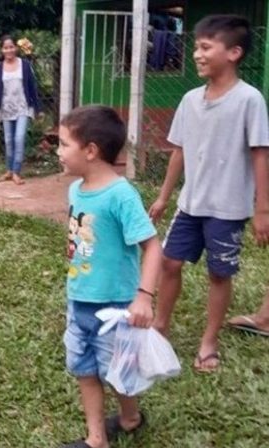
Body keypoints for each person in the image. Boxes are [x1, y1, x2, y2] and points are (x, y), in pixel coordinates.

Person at [149, 15, 269, 372]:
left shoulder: (250, 100)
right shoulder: (189, 99)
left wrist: (262, 209)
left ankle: (209, 341)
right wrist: (164, 196)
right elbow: (179, 151)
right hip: (191, 204)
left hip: (228, 209)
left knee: (219, 274)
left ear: (233, 52)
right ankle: (160, 325)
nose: (197, 55)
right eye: (196, 47)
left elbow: (261, 154)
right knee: (169, 263)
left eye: (205, 47)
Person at [54, 105, 161, 448]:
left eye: (64, 143)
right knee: (84, 368)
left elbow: (152, 245)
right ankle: (96, 438)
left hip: (115, 307)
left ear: (91, 150)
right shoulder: (75, 191)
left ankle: (130, 417)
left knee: (119, 373)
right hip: (79, 300)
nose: (58, 151)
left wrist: (143, 297)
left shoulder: (120, 195)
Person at [0, 35, 42, 185]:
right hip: (6, 109)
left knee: (19, 138)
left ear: (16, 48)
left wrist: (38, 109)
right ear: (2, 50)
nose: (9, 50)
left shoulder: (25, 65)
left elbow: (32, 87)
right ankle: (9, 171)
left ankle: (17, 172)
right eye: (6, 47)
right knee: (9, 140)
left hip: (23, 108)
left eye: (11, 47)